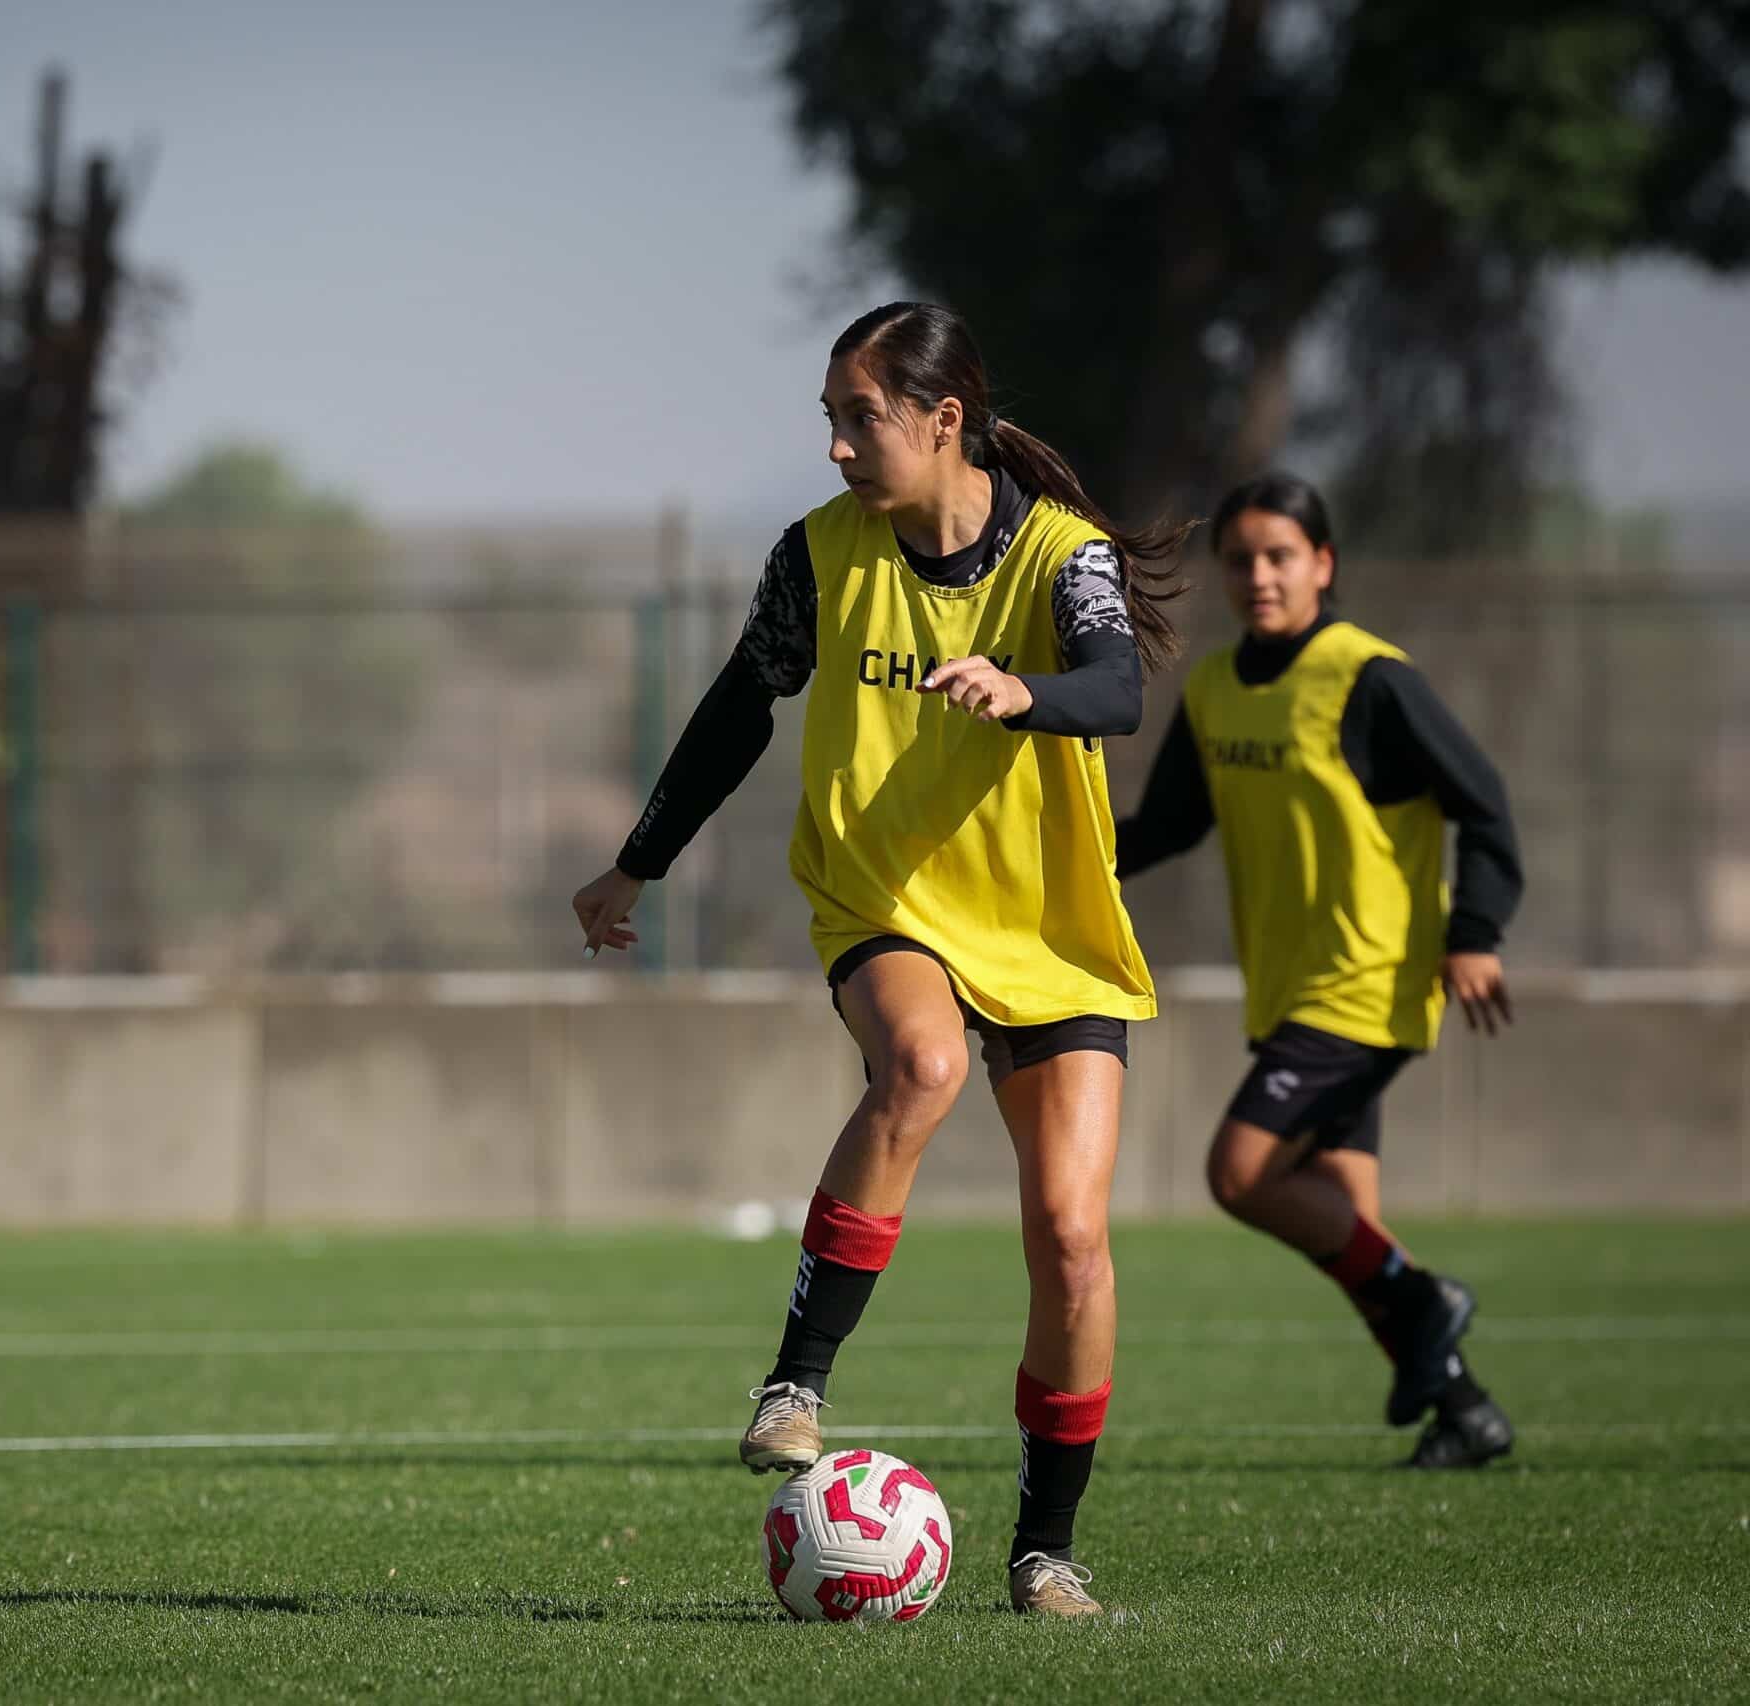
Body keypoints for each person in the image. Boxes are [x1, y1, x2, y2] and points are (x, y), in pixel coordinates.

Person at [571, 302, 1191, 1616]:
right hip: (883, 892)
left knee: (1074, 1244)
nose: (841, 447)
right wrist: (639, 859)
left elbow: (1117, 688)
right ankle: (796, 1384)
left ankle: (1047, 1552)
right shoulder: (818, 558)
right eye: (831, 420)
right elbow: (741, 705)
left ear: (943, 418)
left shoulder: (1062, 555)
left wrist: (1026, 691)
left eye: (863, 418)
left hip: (1050, 926)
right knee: (919, 1059)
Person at [1115, 474, 1519, 1469]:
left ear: (1322, 565)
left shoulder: (1369, 677)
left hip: (1368, 980)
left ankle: (1430, 1301)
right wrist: (1054, 862)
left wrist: (1473, 930)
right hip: (1289, 987)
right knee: (1351, 1227)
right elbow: (1168, 825)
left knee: (1239, 1171)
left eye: (1279, 555)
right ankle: (1464, 1411)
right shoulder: (1212, 688)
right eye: (1241, 558)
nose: (1258, 574)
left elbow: (1483, 799)